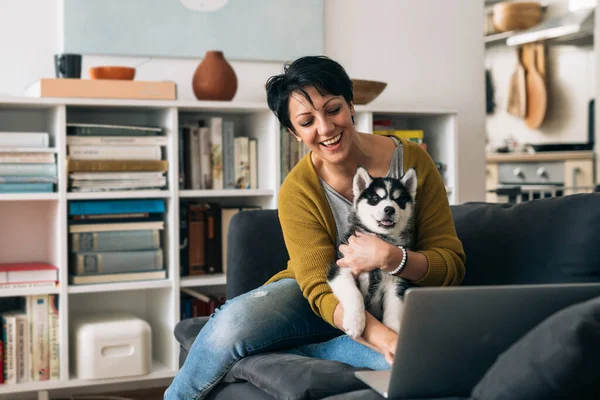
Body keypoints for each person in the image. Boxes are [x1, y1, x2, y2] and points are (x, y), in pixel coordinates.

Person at [164, 55, 465, 400]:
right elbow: (318, 287)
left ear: (351, 105)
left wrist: (393, 258)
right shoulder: (298, 189)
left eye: (333, 109)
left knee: (410, 364)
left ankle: (310, 353)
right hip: (316, 296)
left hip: (393, 296)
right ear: (294, 133)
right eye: (307, 121)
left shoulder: (412, 163)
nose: (325, 128)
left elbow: (450, 265)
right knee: (233, 321)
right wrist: (388, 340)